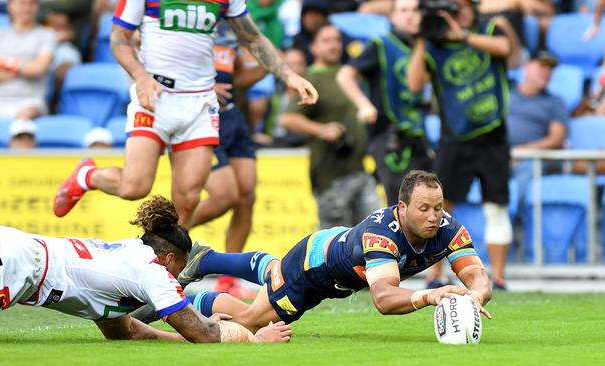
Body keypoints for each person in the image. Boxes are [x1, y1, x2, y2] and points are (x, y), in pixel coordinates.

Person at [52, 0, 319, 227]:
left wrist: (289, 76)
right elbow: (118, 39)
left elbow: (252, 37)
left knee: (187, 201)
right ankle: (87, 176)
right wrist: (141, 77)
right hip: (154, 95)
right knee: (134, 188)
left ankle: (164, 272)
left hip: (200, 102)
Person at [133, 170, 492, 332]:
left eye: (438, 207)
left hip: (328, 252)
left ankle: (205, 258)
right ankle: (186, 302)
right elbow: (383, 299)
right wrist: (432, 296)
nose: (434, 216)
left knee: (272, 273)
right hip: (310, 270)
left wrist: (474, 295)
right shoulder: (383, 237)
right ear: (401, 207)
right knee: (248, 324)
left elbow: (476, 273)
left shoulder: (447, 227)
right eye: (424, 209)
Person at [0, 195, 290, 343]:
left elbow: (128, 333)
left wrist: (200, 325)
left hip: (12, 246)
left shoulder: (126, 259)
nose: (176, 278)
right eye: (180, 269)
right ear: (170, 258)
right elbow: (203, 335)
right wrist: (257, 340)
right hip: (16, 264)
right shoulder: (151, 269)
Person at [407, 0, 513, 290]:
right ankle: (435, 274)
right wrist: (421, 41)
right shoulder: (433, 47)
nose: (455, 15)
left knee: (497, 206)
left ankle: (499, 276)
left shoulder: (488, 30)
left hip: (493, 134)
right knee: (438, 207)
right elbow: (415, 84)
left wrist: (463, 36)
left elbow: (507, 50)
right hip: (454, 137)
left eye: (459, 8)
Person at [187, 20, 269, 299]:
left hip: (233, 117)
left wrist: (270, 63)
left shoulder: (232, 26)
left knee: (246, 196)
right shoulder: (190, 23)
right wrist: (205, 89)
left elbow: (234, 79)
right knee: (225, 196)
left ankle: (228, 278)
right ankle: (166, 238)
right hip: (201, 118)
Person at [280, 23, 380, 229]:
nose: (333, 45)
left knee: (373, 236)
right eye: (326, 41)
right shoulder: (311, 78)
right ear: (313, 47)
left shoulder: (349, 75)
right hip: (331, 177)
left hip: (360, 170)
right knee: (335, 245)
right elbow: (287, 119)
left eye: (336, 40)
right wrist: (321, 130)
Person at [337, 0, 433, 206]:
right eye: (403, 10)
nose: (410, 15)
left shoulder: (425, 46)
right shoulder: (381, 44)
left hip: (418, 133)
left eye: (415, 10)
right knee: (400, 201)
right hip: (387, 134)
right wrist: (363, 104)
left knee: (423, 201)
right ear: (393, 17)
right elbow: (345, 75)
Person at [508, 51, 568, 213]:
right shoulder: (506, 93)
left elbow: (557, 138)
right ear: (526, 67)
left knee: (527, 167)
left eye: (550, 69)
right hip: (501, 155)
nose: (547, 72)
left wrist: (524, 151)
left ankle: (510, 225)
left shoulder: (554, 101)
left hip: (532, 158)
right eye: (542, 66)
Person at [0, 0, 56, 120]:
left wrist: (0, 62)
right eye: (21, 3)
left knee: (24, 118)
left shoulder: (47, 34)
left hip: (31, 101)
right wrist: (24, 69)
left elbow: (39, 69)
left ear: (37, 7)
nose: (26, 8)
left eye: (31, 4)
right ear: (10, 6)